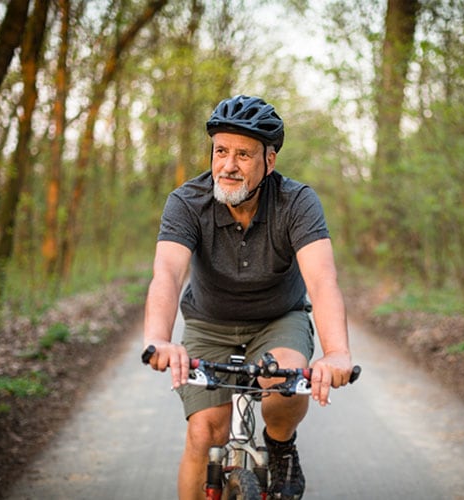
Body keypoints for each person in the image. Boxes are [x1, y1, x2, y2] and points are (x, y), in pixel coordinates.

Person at [144, 94, 353, 499]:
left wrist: (337, 352)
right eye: (221, 151)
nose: (228, 165)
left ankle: (280, 444)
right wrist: (159, 337)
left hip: (278, 320)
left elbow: (323, 280)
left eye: (243, 154)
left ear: (269, 162)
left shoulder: (297, 202)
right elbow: (167, 274)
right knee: (205, 432)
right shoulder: (186, 202)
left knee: (285, 384)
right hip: (209, 322)